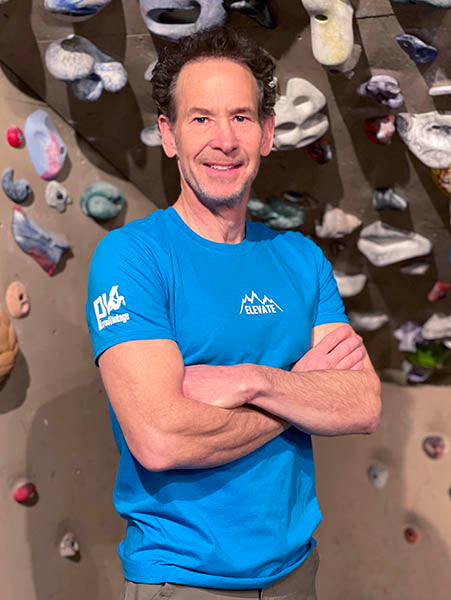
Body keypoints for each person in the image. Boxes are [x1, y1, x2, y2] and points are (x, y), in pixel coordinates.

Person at [86, 26, 381, 600]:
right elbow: (160, 438)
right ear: (168, 135)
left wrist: (251, 381)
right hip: (182, 578)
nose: (224, 140)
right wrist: (298, 395)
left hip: (296, 571)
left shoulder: (300, 257)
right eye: (201, 118)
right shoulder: (132, 256)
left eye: (241, 117)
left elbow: (363, 403)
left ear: (267, 133)